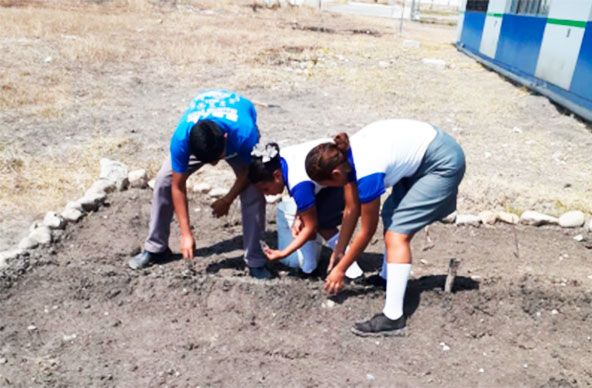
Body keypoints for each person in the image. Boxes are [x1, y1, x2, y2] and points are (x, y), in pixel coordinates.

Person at [305, 119, 466, 336]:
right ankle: (387, 277)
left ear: (335, 175)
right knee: (390, 214)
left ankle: (393, 318)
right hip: (424, 157)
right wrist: (339, 251)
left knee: (397, 235)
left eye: (327, 186)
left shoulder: (366, 171)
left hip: (442, 162)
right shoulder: (346, 159)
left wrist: (341, 269)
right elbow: (351, 210)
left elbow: (367, 230)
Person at [129, 89, 272, 280]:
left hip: (237, 122)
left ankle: (255, 260)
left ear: (225, 140)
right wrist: (186, 233)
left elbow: (248, 172)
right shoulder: (182, 138)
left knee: (254, 190)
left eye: (216, 159)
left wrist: (228, 199)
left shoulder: (245, 133)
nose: (213, 165)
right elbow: (177, 185)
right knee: (164, 180)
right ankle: (156, 248)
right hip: (205, 129)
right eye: (207, 160)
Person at [248, 141, 364, 278]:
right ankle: (309, 268)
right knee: (307, 219)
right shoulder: (278, 161)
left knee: (322, 222)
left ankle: (353, 271)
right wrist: (299, 215)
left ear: (277, 176)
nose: (266, 194)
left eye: (265, 189)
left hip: (345, 173)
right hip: (330, 167)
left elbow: (311, 226)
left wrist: (283, 253)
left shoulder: (298, 183)